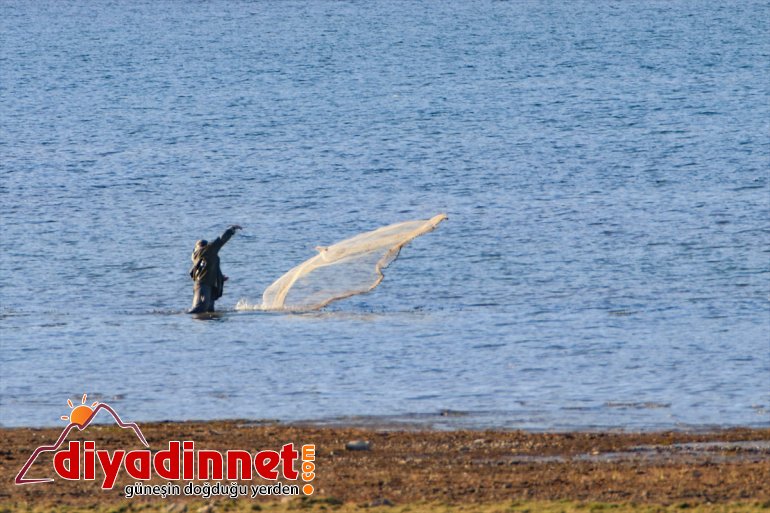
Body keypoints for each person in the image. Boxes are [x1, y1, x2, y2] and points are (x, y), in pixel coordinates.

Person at [188, 225, 242, 313]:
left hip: (209, 285)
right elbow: (221, 240)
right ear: (205, 246)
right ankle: (183, 318)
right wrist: (231, 229)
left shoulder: (201, 256)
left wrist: (220, 277)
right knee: (199, 309)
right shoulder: (208, 250)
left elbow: (209, 267)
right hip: (203, 286)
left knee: (210, 311)